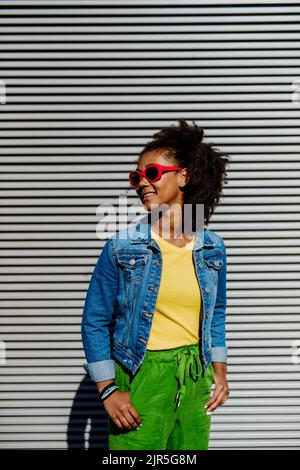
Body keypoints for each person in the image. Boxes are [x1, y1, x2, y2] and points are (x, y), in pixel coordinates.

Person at [81, 119, 231, 450]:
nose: (141, 184)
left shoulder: (213, 247)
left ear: (183, 176)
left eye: (152, 173)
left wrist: (219, 370)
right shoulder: (123, 247)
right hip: (141, 374)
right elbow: (94, 320)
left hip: (195, 375)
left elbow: (216, 312)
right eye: (136, 177)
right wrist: (107, 389)